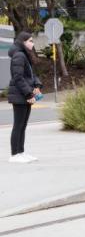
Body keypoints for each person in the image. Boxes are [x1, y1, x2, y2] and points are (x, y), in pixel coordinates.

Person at [7, 32, 42, 163]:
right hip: (20, 94)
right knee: (18, 125)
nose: (32, 43)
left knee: (23, 125)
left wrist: (37, 85)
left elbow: (30, 75)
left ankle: (21, 152)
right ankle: (14, 155)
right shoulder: (19, 55)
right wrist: (28, 93)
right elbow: (18, 77)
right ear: (23, 42)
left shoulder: (24, 55)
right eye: (30, 41)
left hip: (24, 94)